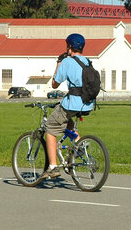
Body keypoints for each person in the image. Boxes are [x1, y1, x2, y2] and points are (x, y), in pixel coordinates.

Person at [39, 33, 95, 180]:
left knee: (50, 128)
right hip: (87, 104)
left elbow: (54, 84)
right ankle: (79, 145)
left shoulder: (67, 62)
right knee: (66, 120)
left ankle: (53, 167)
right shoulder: (87, 61)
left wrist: (59, 64)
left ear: (69, 47)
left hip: (73, 103)